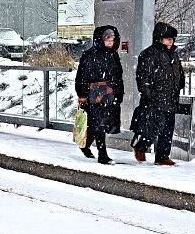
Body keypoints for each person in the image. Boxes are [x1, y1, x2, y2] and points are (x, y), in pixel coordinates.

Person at [131, 21, 184, 166]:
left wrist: (179, 85)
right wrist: (148, 94)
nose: (170, 41)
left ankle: (162, 156)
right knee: (152, 127)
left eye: (172, 39)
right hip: (155, 98)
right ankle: (140, 146)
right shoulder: (150, 54)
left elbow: (178, 73)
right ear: (159, 39)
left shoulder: (173, 54)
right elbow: (143, 77)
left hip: (170, 97)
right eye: (167, 38)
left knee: (167, 129)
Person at [74, 25, 124, 164]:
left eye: (112, 38)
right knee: (99, 124)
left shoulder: (113, 55)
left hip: (109, 94)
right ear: (100, 39)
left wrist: (118, 93)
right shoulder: (89, 55)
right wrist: (82, 94)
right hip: (94, 94)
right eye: (107, 38)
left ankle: (86, 145)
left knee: (99, 124)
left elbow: (118, 76)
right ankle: (103, 155)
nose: (110, 41)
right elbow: (81, 77)